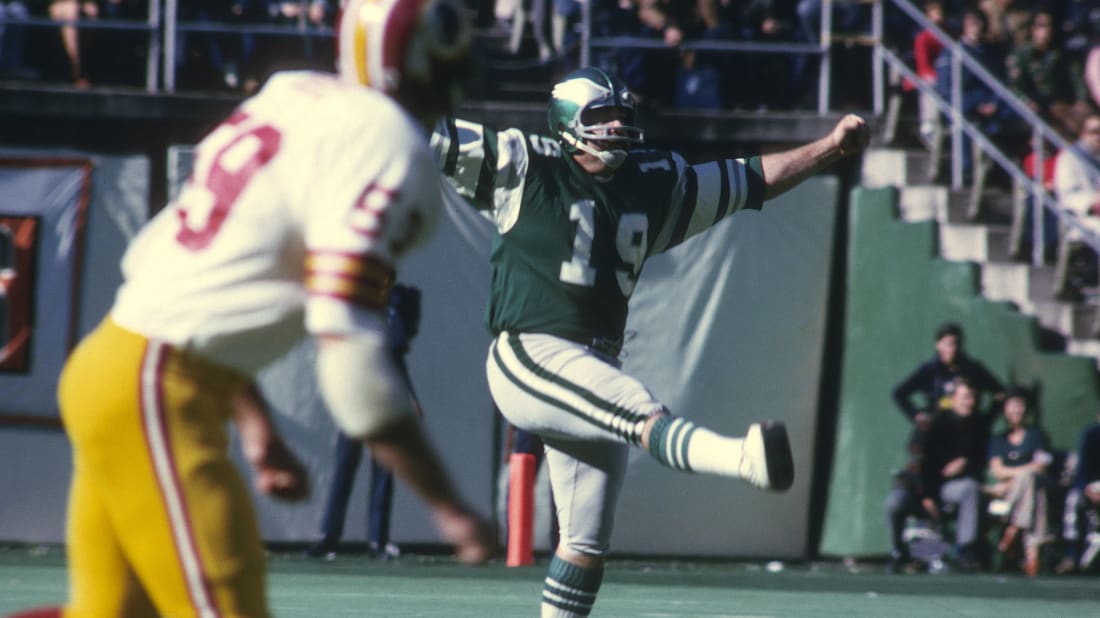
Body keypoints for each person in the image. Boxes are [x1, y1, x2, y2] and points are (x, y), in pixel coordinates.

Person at [7, 1, 494, 616]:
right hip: (158, 385)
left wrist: (257, 427)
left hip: (113, 364)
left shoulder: (292, 97)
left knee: (111, 613)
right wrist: (448, 505)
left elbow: (186, 284)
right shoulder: (389, 143)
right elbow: (348, 352)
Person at [431, 66, 868, 616]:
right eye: (601, 115)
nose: (616, 124)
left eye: (622, 115)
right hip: (529, 351)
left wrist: (830, 147)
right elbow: (428, 136)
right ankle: (742, 460)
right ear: (568, 121)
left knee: (586, 542)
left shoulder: (654, 178)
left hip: (594, 358)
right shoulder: (524, 162)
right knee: (640, 410)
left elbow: (752, 179)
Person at [305, 283, 423, 560]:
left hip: (385, 396)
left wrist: (410, 396)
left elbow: (398, 347)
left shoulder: (399, 304)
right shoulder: (355, 302)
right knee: (345, 464)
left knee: (384, 468)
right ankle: (329, 535)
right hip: (355, 393)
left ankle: (377, 539)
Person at [886, 377, 992, 573]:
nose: (970, 402)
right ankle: (898, 553)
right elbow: (916, 463)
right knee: (894, 503)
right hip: (919, 489)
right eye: (965, 397)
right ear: (952, 399)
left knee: (970, 488)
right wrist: (925, 496)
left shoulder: (978, 425)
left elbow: (980, 462)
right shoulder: (931, 421)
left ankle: (965, 551)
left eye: (973, 397)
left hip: (947, 488)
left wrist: (965, 464)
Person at [986, 386, 1051, 576]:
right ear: (1005, 409)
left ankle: (1013, 525)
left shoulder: (1036, 435)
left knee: (1032, 483)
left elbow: (1041, 466)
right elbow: (997, 471)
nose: (1016, 410)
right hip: (1009, 491)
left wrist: (1013, 477)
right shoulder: (998, 439)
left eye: (1020, 405)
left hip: (1016, 493)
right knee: (1030, 484)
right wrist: (1021, 475)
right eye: (1011, 405)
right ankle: (1032, 554)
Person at [1052, 111, 1100, 301]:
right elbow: (1067, 195)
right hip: (1083, 216)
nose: (1099, 137)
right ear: (1083, 134)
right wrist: (1092, 202)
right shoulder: (1070, 158)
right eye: (1094, 132)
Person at [1057, 410, 1100, 573]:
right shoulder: (1090, 435)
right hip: (1092, 487)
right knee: (1074, 498)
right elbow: (1082, 472)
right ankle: (1071, 555)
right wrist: (1088, 489)